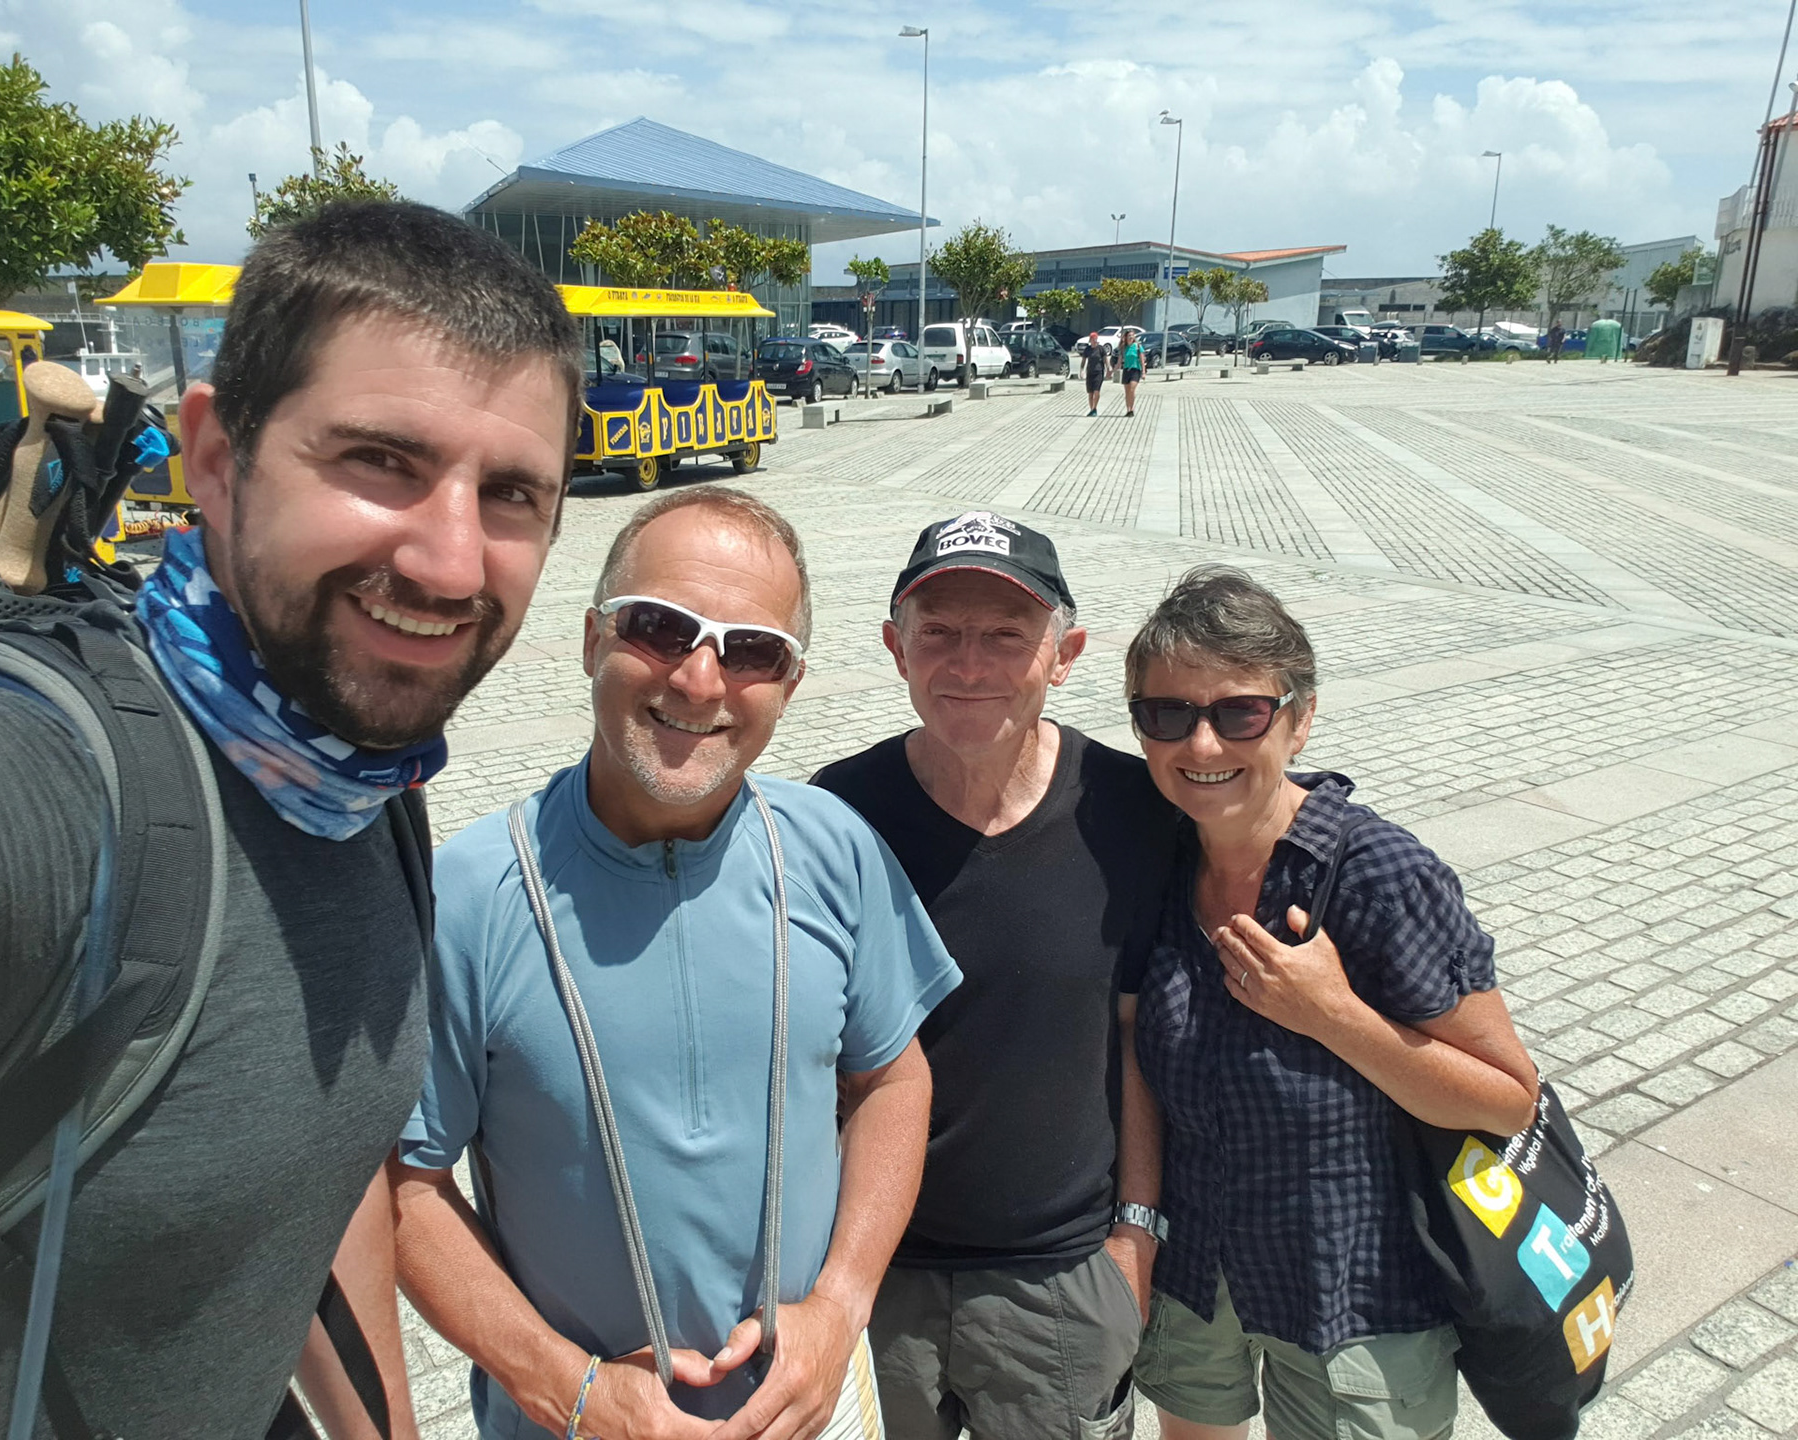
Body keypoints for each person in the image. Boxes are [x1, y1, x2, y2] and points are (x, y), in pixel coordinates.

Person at [0, 200, 585, 1437]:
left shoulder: (362, 787)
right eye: (381, 461)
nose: (452, 563)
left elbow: (317, 1162)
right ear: (213, 458)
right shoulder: (40, 773)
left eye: (513, 494)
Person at [390, 488, 962, 1440]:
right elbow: (401, 1182)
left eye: (752, 650)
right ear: (591, 641)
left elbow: (893, 1078)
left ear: (790, 683)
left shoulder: (832, 847)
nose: (700, 680)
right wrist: (566, 1389)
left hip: (810, 1406)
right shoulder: (474, 893)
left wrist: (840, 1306)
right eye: (659, 628)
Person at [1122, 565, 1541, 1440]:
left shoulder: (1378, 875)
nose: (1203, 745)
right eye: (1168, 714)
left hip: (1353, 1291)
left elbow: (1508, 1100)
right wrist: (1138, 1226)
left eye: (1240, 712)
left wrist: (1332, 1015)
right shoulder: (1158, 860)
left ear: (1300, 717)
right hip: (1197, 1271)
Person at [813, 510, 1177, 1440]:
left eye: (1007, 635)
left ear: (1065, 655)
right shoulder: (840, 812)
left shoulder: (1129, 809)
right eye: (939, 631)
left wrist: (1134, 1239)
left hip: (1060, 1279)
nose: (968, 665)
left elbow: (1139, 1033)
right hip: (874, 1272)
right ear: (896, 648)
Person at [1120, 332, 1145, 416]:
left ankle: (1132, 409)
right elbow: (1119, 361)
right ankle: (1128, 410)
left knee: (1132, 389)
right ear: (1126, 337)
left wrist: (1143, 372)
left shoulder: (1138, 347)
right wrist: (1112, 371)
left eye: (1132, 335)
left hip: (1135, 370)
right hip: (1126, 370)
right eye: (1129, 335)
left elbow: (1142, 360)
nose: (1131, 337)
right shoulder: (1124, 347)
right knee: (1127, 392)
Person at [1084, 333, 1108, 416]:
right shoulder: (1087, 349)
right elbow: (1083, 360)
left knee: (1096, 391)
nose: (1094, 340)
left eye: (1095, 339)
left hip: (1099, 372)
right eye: (1093, 339)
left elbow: (1105, 359)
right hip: (1090, 372)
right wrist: (1081, 370)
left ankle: (1095, 408)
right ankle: (1092, 409)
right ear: (1090, 340)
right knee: (1090, 393)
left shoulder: (1101, 349)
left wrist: (1108, 368)